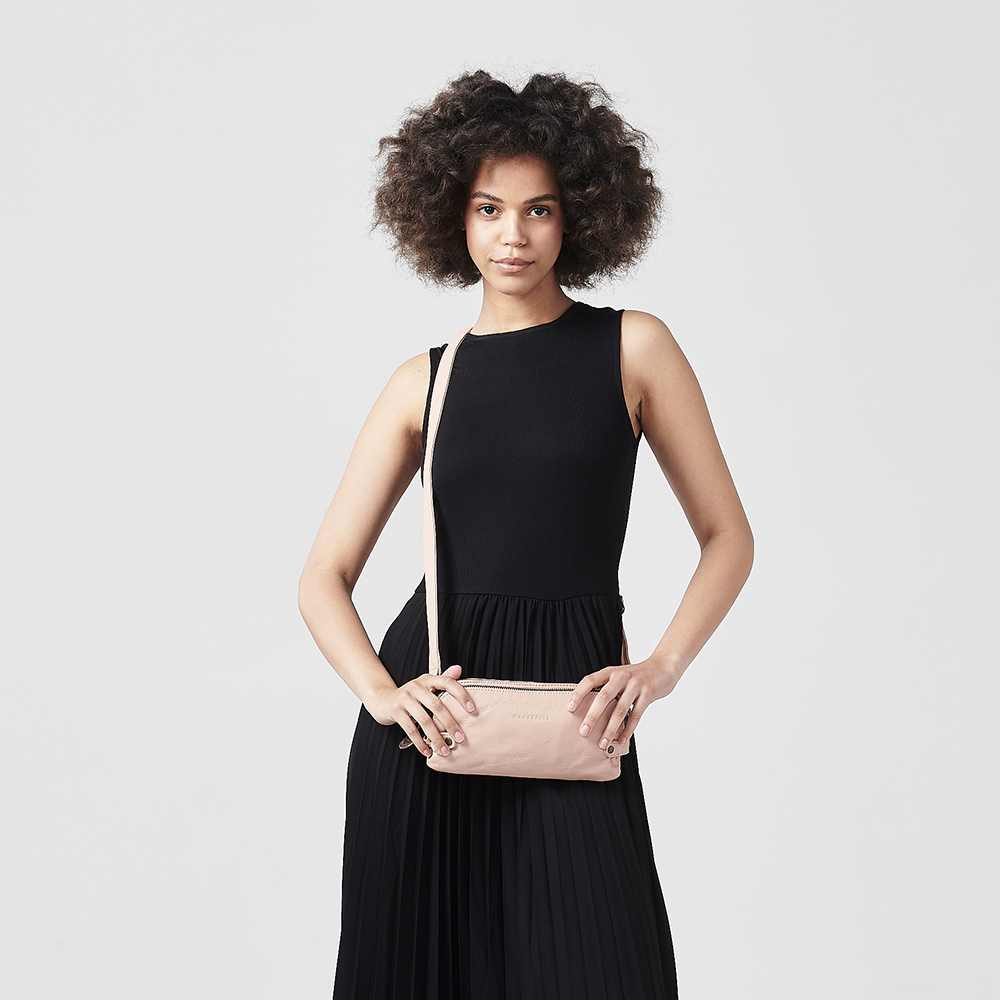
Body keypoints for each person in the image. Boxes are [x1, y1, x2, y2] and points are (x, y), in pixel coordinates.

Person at [298, 70, 754, 1000]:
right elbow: (323, 575)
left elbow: (727, 535)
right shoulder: (422, 382)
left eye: (539, 209)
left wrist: (658, 670)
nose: (514, 235)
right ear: (453, 219)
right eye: (489, 209)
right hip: (437, 728)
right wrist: (382, 695)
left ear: (578, 213)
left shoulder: (633, 347)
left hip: (576, 716)